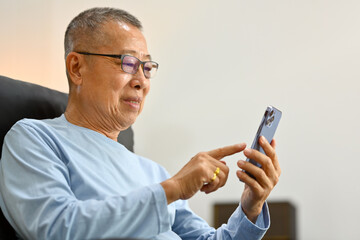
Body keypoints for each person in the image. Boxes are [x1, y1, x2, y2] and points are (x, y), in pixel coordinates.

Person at [0, 7, 281, 240]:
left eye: (147, 67)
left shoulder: (152, 171)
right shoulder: (34, 139)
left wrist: (251, 205)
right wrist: (173, 188)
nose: (142, 81)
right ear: (77, 68)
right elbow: (57, 228)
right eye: (128, 63)